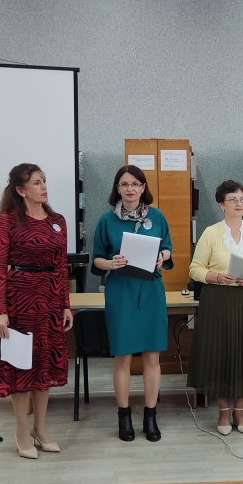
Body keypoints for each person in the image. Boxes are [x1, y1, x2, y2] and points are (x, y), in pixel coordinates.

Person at [0, 163, 73, 459]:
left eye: (44, 181)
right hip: (20, 299)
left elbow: (61, 267)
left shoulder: (57, 221)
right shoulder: (8, 220)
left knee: (44, 364)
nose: (44, 187)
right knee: (21, 364)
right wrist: (1, 310)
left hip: (50, 300)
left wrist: (65, 305)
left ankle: (40, 427)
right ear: (21, 190)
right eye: (37, 182)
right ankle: (22, 429)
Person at [92, 165, 172, 443]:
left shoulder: (157, 216)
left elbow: (167, 248)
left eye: (135, 184)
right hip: (121, 292)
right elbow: (96, 259)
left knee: (152, 356)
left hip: (151, 291)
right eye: (124, 184)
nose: (130, 189)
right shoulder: (106, 220)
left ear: (143, 187)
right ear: (117, 188)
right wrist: (110, 263)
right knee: (123, 357)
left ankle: (150, 416)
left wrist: (162, 255)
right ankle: (124, 416)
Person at [187, 180, 243, 435]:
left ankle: (240, 411)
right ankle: (223, 411)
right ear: (221, 205)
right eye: (233, 199)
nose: (239, 204)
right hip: (218, 299)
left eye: (242, 199)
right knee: (220, 353)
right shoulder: (211, 233)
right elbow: (195, 269)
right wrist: (216, 277)